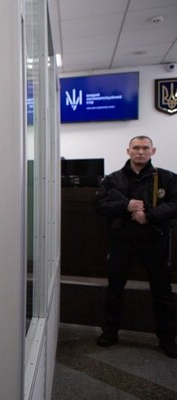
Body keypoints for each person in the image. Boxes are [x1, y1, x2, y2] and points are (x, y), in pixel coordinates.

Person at [95, 135, 177, 358]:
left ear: (153, 151)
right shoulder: (112, 179)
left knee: (162, 291)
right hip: (122, 242)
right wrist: (126, 206)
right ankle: (109, 332)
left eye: (145, 148)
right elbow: (100, 206)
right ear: (128, 151)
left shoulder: (167, 178)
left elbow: (175, 204)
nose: (140, 152)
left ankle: (167, 339)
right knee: (114, 289)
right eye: (136, 148)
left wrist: (149, 216)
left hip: (155, 241)